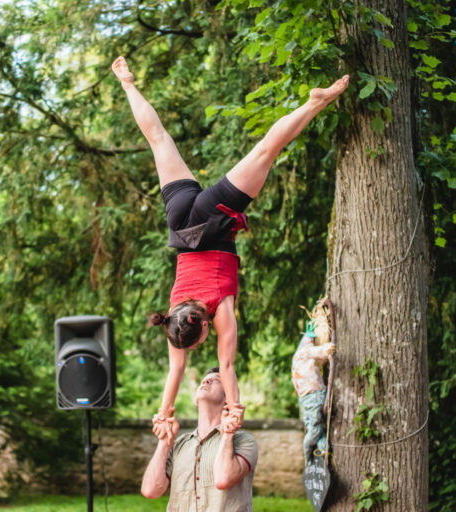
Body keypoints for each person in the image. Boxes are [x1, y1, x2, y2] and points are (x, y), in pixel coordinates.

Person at [112, 56, 349, 433]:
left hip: (211, 219)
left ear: (202, 326)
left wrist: (234, 408)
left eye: (198, 342)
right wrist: (164, 412)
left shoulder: (218, 312)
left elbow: (227, 366)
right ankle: (126, 82)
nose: (198, 346)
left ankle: (316, 101)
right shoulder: (174, 318)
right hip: (181, 224)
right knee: (159, 140)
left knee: (264, 152)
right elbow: (175, 371)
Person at [141, 367, 259, 511]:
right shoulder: (179, 445)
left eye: (216, 380)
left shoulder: (244, 441)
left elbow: (223, 479)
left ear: (228, 398)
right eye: (204, 380)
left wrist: (227, 435)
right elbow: (151, 490)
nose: (207, 380)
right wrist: (164, 442)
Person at [292, 299, 335, 461]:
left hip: (312, 395)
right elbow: (314, 352)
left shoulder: (302, 356)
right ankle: (312, 453)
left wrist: (324, 350)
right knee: (316, 427)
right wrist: (325, 349)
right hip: (311, 395)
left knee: (317, 426)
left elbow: (316, 352)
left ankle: (317, 451)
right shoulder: (304, 352)